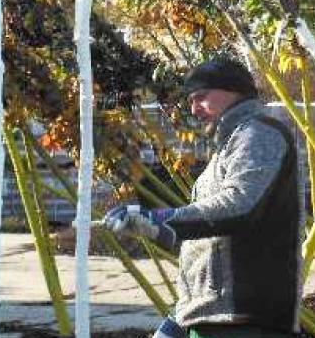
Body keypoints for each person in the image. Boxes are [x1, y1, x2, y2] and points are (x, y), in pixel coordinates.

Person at [103, 57, 304, 338]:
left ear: (234, 91)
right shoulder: (228, 148)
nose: (194, 109)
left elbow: (239, 207)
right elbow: (211, 246)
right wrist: (177, 321)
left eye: (201, 98)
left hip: (247, 321)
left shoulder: (259, 134)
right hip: (211, 318)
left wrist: (164, 217)